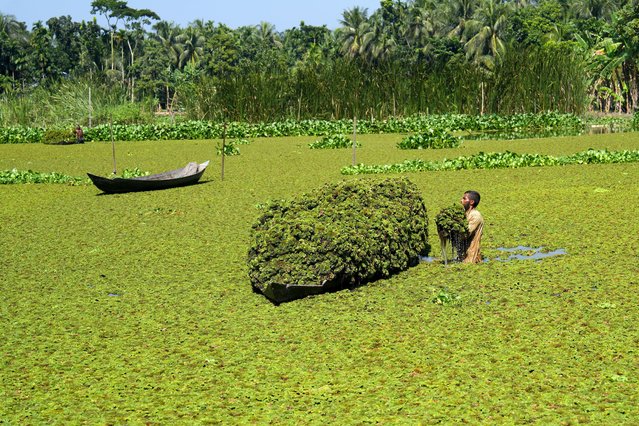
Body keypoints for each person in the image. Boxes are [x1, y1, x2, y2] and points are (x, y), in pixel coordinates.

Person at [461, 190, 484, 263]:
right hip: (463, 256)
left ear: (471, 202)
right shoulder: (465, 214)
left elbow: (465, 234)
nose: (461, 200)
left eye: (464, 198)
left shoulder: (475, 216)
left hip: (471, 258)